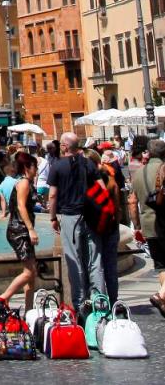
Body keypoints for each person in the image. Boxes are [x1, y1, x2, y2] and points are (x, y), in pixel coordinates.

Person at [47, 130, 104, 311]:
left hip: (71, 216)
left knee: (75, 259)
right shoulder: (88, 163)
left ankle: (80, 304)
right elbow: (102, 189)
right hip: (91, 216)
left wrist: (53, 217)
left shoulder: (57, 166)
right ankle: (99, 300)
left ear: (64, 146)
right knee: (95, 259)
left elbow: (53, 195)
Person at [0, 151, 39, 312]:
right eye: (35, 166)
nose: (37, 169)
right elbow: (21, 206)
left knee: (31, 275)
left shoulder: (26, 182)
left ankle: (29, 312)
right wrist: (31, 229)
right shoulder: (23, 183)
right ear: (27, 167)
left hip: (21, 230)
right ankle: (3, 298)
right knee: (29, 272)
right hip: (19, 231)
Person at [132, 136, 165, 316]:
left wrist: (136, 225)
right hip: (163, 223)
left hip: (148, 224)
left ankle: (163, 300)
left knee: (160, 265)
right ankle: (161, 295)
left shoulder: (138, 173)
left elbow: (131, 202)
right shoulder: (164, 169)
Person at [97, 151, 126, 305]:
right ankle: (114, 300)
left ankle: (100, 302)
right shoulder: (113, 183)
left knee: (97, 266)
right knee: (111, 267)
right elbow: (118, 208)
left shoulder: (92, 186)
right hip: (111, 227)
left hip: (96, 229)